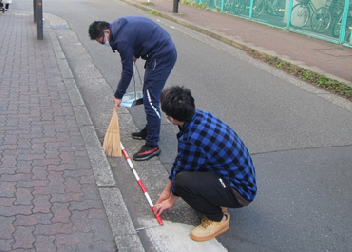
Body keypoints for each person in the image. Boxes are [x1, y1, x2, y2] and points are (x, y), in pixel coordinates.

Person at [153, 86, 257, 242]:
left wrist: (170, 200)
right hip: (237, 177)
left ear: (171, 118)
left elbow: (181, 173)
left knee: (183, 182)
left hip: (240, 192)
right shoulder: (200, 116)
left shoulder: (192, 139)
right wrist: (166, 191)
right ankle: (217, 196)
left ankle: (218, 219)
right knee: (183, 175)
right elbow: (182, 161)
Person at [88, 16, 177, 161]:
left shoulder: (121, 40)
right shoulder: (117, 27)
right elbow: (138, 37)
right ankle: (150, 130)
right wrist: (135, 53)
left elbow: (128, 71)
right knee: (148, 95)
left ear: (106, 31)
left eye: (102, 41)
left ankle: (152, 143)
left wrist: (118, 95)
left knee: (150, 98)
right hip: (158, 52)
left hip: (162, 55)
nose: (103, 44)